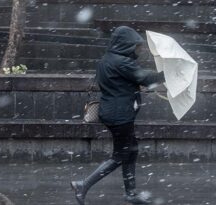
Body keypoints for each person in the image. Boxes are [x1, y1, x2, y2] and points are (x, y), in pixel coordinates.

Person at [70, 26, 165, 205]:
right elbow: (145, 78)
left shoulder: (107, 59)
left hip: (113, 112)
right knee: (120, 155)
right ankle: (83, 185)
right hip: (120, 115)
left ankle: (131, 193)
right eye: (136, 46)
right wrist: (167, 74)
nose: (139, 50)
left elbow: (124, 82)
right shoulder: (122, 62)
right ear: (125, 45)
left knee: (132, 150)